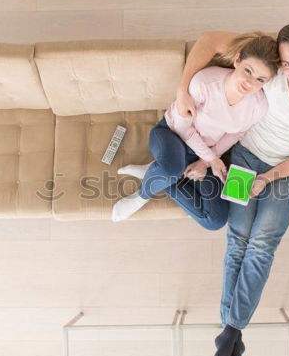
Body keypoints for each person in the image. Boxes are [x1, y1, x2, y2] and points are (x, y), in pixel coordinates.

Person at [175, 19, 289, 356]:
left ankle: (231, 327)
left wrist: (270, 177)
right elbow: (210, 38)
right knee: (238, 238)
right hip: (243, 157)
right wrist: (182, 90)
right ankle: (232, 329)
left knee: (263, 243)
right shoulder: (268, 66)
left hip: (287, 170)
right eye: (288, 64)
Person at [111, 33, 279, 232]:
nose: (250, 83)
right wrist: (211, 159)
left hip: (203, 155)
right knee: (172, 166)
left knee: (215, 220)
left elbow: (235, 134)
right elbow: (183, 127)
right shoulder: (205, 83)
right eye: (248, 71)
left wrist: (204, 162)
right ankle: (141, 197)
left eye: (260, 79)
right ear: (237, 60)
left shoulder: (258, 106)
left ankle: (157, 174)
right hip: (171, 135)